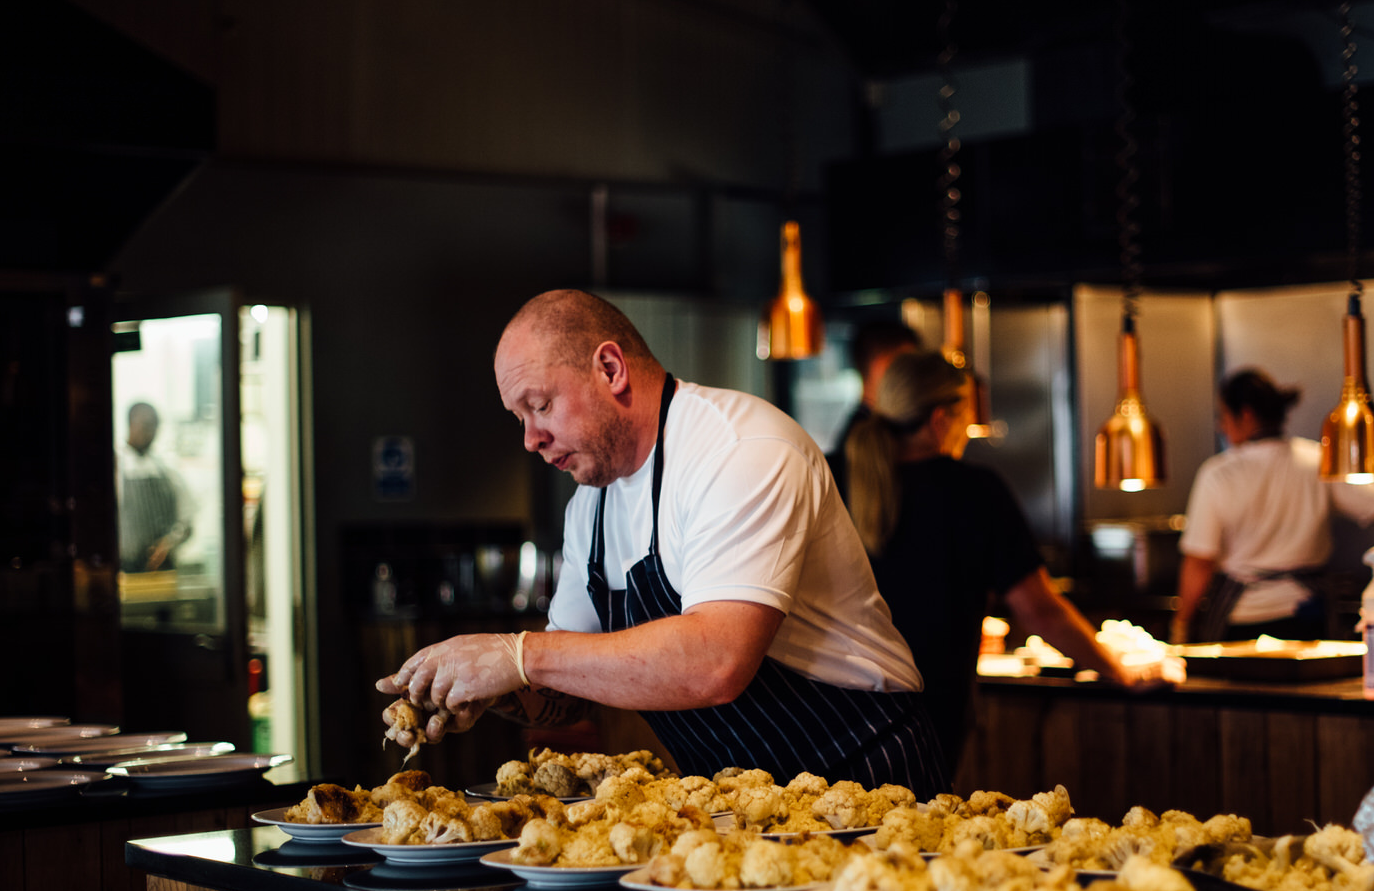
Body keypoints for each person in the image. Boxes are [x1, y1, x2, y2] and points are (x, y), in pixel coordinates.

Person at [377, 290, 946, 793]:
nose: (530, 439)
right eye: (518, 417)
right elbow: (566, 691)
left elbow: (716, 661)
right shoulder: (589, 509)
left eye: (541, 405)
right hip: (728, 800)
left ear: (610, 368)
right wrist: (492, 688)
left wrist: (519, 653)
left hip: (860, 777)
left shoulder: (740, 449)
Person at [839, 351, 1145, 771]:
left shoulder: (835, 475)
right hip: (926, 715)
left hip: (833, 714)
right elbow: (1039, 611)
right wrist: (1119, 671)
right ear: (940, 420)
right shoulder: (972, 491)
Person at [1171, 368, 1374, 644]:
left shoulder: (1218, 474)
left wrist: (1182, 623)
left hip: (1242, 624)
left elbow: (1200, 562)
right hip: (1307, 622)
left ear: (1246, 414)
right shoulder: (1316, 460)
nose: (1221, 426)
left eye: (1223, 416)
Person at [825, 320, 920, 485]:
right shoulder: (869, 437)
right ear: (880, 367)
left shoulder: (857, 429)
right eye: (905, 367)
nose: (914, 377)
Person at [117, 402, 195, 573]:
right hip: (125, 569)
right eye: (145, 425)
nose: (150, 432)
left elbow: (187, 518)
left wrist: (169, 543)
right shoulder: (116, 468)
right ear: (131, 424)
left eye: (154, 426)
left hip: (164, 568)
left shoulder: (166, 471)